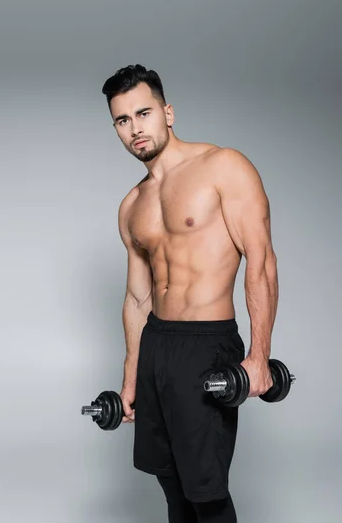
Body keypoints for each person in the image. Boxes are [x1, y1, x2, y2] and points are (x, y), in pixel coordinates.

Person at [101, 64, 278, 523]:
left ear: (168, 112)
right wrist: (130, 378)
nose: (135, 128)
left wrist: (259, 357)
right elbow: (138, 299)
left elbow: (260, 263)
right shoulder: (131, 206)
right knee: (171, 485)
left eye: (143, 113)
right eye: (122, 120)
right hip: (157, 345)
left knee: (206, 491)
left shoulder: (224, 167)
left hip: (207, 344)